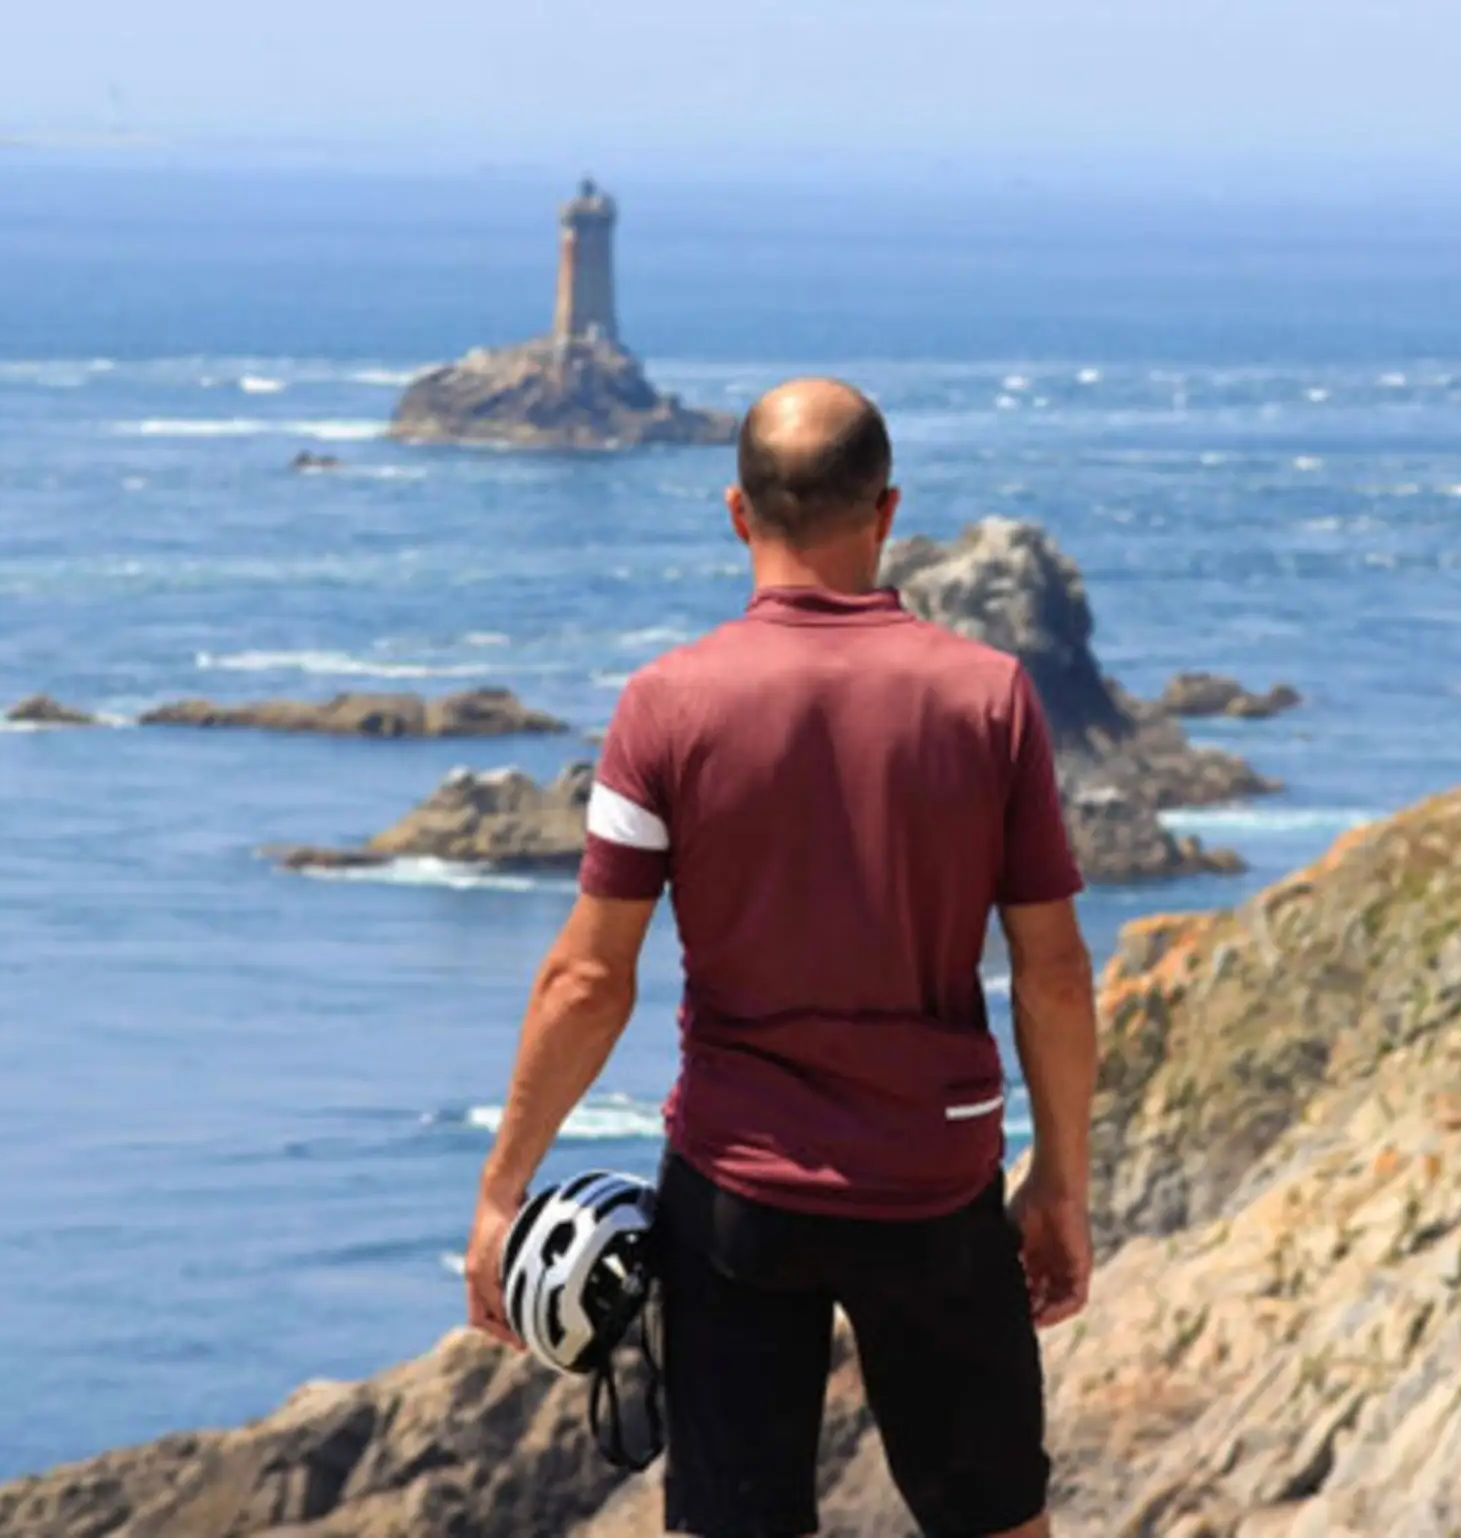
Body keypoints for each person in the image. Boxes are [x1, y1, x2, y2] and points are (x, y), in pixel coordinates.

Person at [464, 378, 1099, 1538]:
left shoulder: (663, 705)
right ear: (885, 508)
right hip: (934, 1185)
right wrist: (1059, 1178)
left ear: (737, 513)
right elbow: (1051, 971)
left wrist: (504, 1187)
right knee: (996, 1521)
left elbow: (587, 977)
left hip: (733, 1196)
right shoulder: (988, 699)